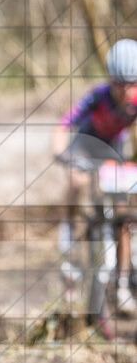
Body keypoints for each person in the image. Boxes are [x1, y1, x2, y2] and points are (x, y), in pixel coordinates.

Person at [52, 38, 137, 315]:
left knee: (124, 213)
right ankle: (69, 229)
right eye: (119, 84)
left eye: (131, 83)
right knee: (77, 180)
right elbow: (65, 124)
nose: (125, 90)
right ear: (111, 80)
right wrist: (60, 152)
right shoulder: (98, 97)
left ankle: (123, 284)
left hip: (115, 148)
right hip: (85, 144)